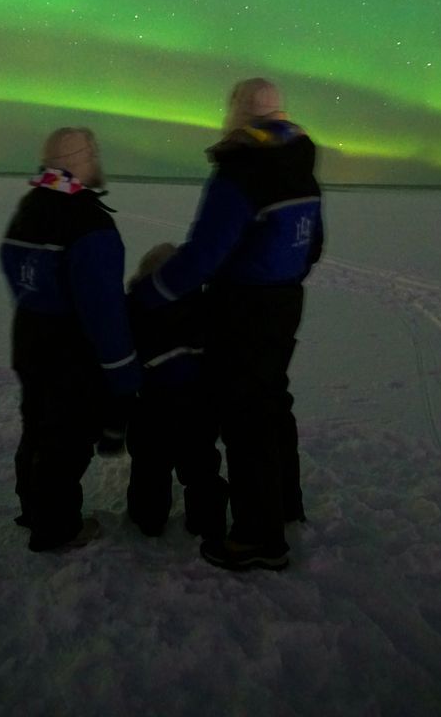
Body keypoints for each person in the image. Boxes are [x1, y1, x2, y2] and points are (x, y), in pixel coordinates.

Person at [130, 78, 323, 571]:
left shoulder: (240, 171)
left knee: (246, 419)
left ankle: (259, 539)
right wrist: (282, 277)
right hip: (285, 302)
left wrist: (149, 294)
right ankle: (285, 503)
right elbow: (313, 243)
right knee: (273, 404)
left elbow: (202, 255)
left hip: (244, 309)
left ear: (234, 114)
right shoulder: (298, 165)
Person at [0, 127, 140, 552]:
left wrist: (36, 303)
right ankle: (57, 527)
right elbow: (104, 311)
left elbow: (10, 260)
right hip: (70, 350)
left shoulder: (32, 205)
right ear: (82, 160)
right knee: (66, 439)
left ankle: (34, 507)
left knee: (38, 426)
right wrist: (123, 376)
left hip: (30, 338)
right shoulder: (88, 221)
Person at [125, 244, 229, 539]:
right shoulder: (203, 304)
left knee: (149, 464)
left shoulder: (135, 308)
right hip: (199, 400)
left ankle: (147, 518)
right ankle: (208, 519)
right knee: (201, 464)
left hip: (152, 402)